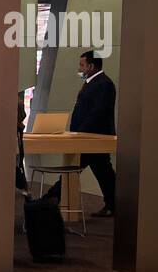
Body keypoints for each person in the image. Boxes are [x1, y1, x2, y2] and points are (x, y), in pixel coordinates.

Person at [48, 49, 116, 217]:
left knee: (73, 169)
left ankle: (49, 199)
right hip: (89, 137)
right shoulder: (93, 83)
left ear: (91, 66)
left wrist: (80, 133)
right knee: (104, 172)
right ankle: (114, 204)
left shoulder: (103, 84)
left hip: (92, 137)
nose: (79, 68)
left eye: (82, 65)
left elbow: (97, 112)